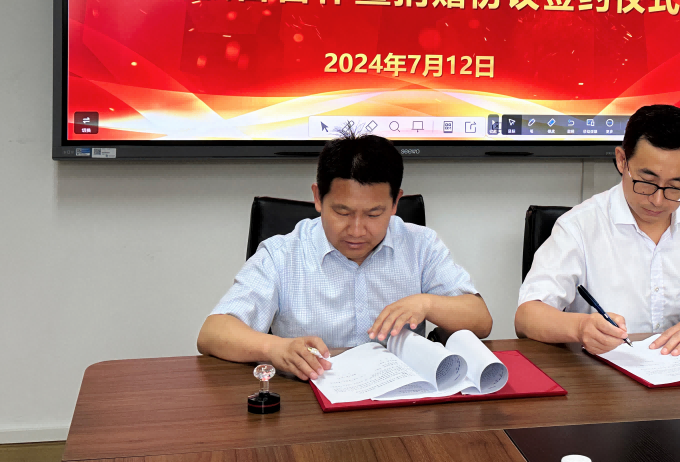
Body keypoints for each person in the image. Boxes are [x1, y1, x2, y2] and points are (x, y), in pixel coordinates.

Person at [197, 132, 492, 380]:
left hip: (400, 398)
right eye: (342, 212)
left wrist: (427, 303)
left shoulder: (420, 245)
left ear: (395, 203)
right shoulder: (282, 254)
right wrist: (274, 348)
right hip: (310, 399)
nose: (357, 230)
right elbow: (212, 333)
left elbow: (481, 320)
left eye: (374, 214)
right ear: (317, 197)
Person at [515, 104, 680, 356]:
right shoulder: (580, 225)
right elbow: (526, 317)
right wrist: (580, 327)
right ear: (622, 161)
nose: (658, 200)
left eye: (676, 186)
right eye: (647, 181)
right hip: (604, 378)